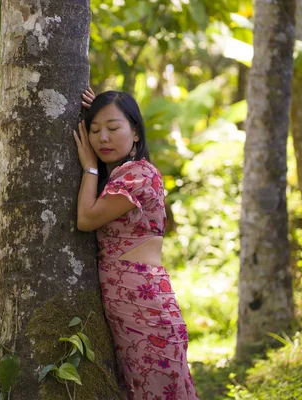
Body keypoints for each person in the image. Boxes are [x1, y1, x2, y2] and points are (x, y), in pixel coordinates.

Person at [73, 88, 198, 400]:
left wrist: (88, 166)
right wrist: (103, 107)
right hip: (132, 305)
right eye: (95, 129)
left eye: (114, 128)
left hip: (144, 306)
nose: (103, 138)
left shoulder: (138, 173)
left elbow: (86, 220)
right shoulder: (119, 176)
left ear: (136, 132)